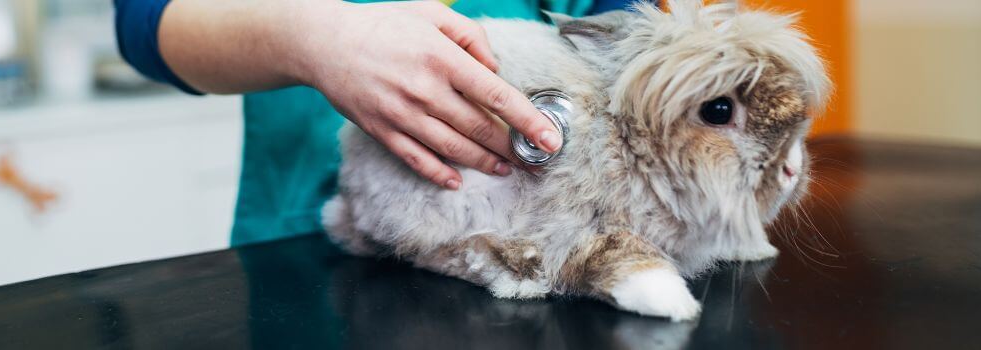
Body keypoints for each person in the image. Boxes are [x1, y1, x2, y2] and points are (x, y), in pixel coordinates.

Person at [114, 0, 639, 246]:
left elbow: (629, 30)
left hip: (539, 240)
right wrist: (312, 38)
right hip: (302, 241)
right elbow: (146, 22)